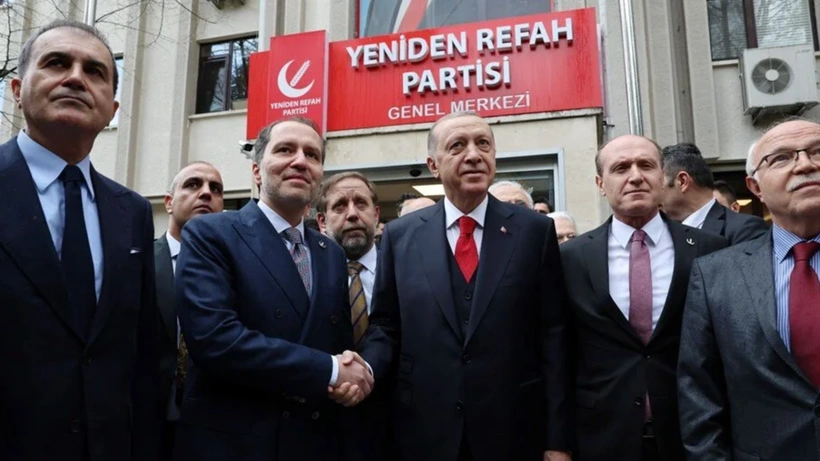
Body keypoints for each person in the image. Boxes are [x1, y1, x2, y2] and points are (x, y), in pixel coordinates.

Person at [358, 112, 572, 461]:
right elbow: (386, 325)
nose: (474, 155)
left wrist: (558, 440)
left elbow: (553, 335)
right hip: (423, 431)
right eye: (457, 146)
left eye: (483, 144)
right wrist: (365, 369)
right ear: (433, 165)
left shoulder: (534, 231)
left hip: (514, 430)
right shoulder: (401, 235)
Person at [0, 19, 161, 461]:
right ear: (17, 90)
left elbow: (143, 356)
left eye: (94, 71)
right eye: (56, 63)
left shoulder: (133, 212)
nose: (75, 77)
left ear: (112, 108)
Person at [173, 117, 371, 461]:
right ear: (256, 171)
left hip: (314, 441)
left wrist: (349, 381)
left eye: (312, 155)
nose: (300, 161)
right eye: (285, 150)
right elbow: (216, 341)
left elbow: (337, 343)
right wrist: (331, 370)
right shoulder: (211, 233)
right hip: (236, 444)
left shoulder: (331, 253)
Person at [560, 135, 726, 461]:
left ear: (663, 176)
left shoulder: (709, 249)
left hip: (692, 437)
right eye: (621, 168)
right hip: (601, 437)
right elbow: (560, 353)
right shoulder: (571, 258)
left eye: (646, 165)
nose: (635, 176)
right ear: (600, 183)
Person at [679, 119, 820, 460]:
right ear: (755, 187)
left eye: (818, 152)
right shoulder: (715, 276)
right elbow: (700, 397)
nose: (806, 164)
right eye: (781, 158)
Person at [317, 171, 392, 459]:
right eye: (339, 206)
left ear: (376, 214)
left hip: (395, 426)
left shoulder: (405, 268)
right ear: (322, 221)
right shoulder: (306, 275)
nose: (352, 214)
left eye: (360, 203)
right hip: (324, 427)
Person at [155, 161, 224, 461]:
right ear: (169, 203)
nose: (206, 193)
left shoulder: (236, 271)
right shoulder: (138, 262)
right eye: (193, 185)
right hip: (147, 424)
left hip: (216, 426)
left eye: (216, 189)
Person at [661, 143, 767, 245]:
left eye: (659, 182)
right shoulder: (664, 234)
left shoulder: (744, 230)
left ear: (682, 181)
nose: (654, 191)